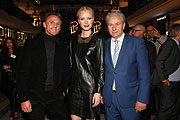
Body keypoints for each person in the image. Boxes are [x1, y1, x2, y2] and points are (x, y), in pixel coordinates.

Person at [16, 12, 70, 120]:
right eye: (52, 22)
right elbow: (22, 72)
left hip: (55, 95)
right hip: (34, 95)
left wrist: (63, 90)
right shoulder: (31, 44)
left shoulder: (62, 47)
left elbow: (66, 70)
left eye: (58, 24)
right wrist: (24, 98)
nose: (55, 26)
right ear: (44, 24)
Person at [102, 11, 151, 120]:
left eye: (117, 24)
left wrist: (142, 98)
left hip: (131, 99)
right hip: (109, 99)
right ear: (107, 27)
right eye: (111, 25)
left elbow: (144, 73)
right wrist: (102, 93)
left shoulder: (137, 43)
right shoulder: (103, 45)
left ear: (123, 25)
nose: (114, 27)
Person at [67, 6, 104, 120]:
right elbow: (70, 64)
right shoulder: (72, 40)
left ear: (93, 20)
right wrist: (67, 85)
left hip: (90, 88)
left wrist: (98, 91)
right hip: (74, 89)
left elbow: (101, 67)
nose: (86, 22)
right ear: (78, 21)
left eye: (89, 18)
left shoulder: (98, 39)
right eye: (82, 19)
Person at [152, 24, 180, 120]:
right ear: (178, 33)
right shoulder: (170, 43)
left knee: (175, 107)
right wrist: (164, 78)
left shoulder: (175, 44)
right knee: (167, 108)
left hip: (175, 82)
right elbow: (159, 61)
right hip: (169, 83)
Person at [133, 24, 157, 120]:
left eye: (135, 30)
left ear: (142, 32)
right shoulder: (130, 45)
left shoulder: (149, 46)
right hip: (133, 83)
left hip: (144, 82)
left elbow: (151, 65)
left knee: (145, 110)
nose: (133, 32)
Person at [1, 37, 18, 120]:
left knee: (13, 96)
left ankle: (12, 115)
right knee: (10, 96)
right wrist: (3, 67)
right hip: (6, 78)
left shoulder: (17, 52)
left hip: (14, 77)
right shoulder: (3, 53)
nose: (9, 44)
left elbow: (19, 64)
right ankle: (15, 110)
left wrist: (10, 67)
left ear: (13, 43)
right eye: (7, 43)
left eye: (10, 42)